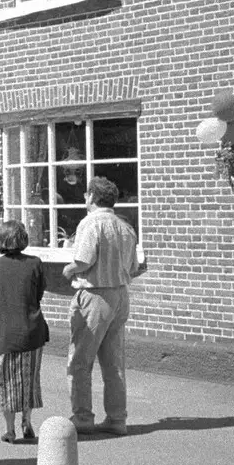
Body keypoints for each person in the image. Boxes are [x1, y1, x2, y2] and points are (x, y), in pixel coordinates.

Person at [60, 176, 146, 435]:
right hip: (120, 295)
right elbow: (135, 267)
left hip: (95, 295)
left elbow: (84, 260)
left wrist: (68, 270)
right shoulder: (126, 227)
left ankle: (83, 418)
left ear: (91, 197)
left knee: (80, 361)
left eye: (86, 195)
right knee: (113, 362)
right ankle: (117, 418)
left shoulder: (90, 223)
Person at [0, 219, 48, 443]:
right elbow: (39, 293)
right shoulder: (35, 263)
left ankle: (9, 429)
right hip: (31, 330)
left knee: (3, 382)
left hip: (3, 332)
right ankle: (27, 422)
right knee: (28, 380)